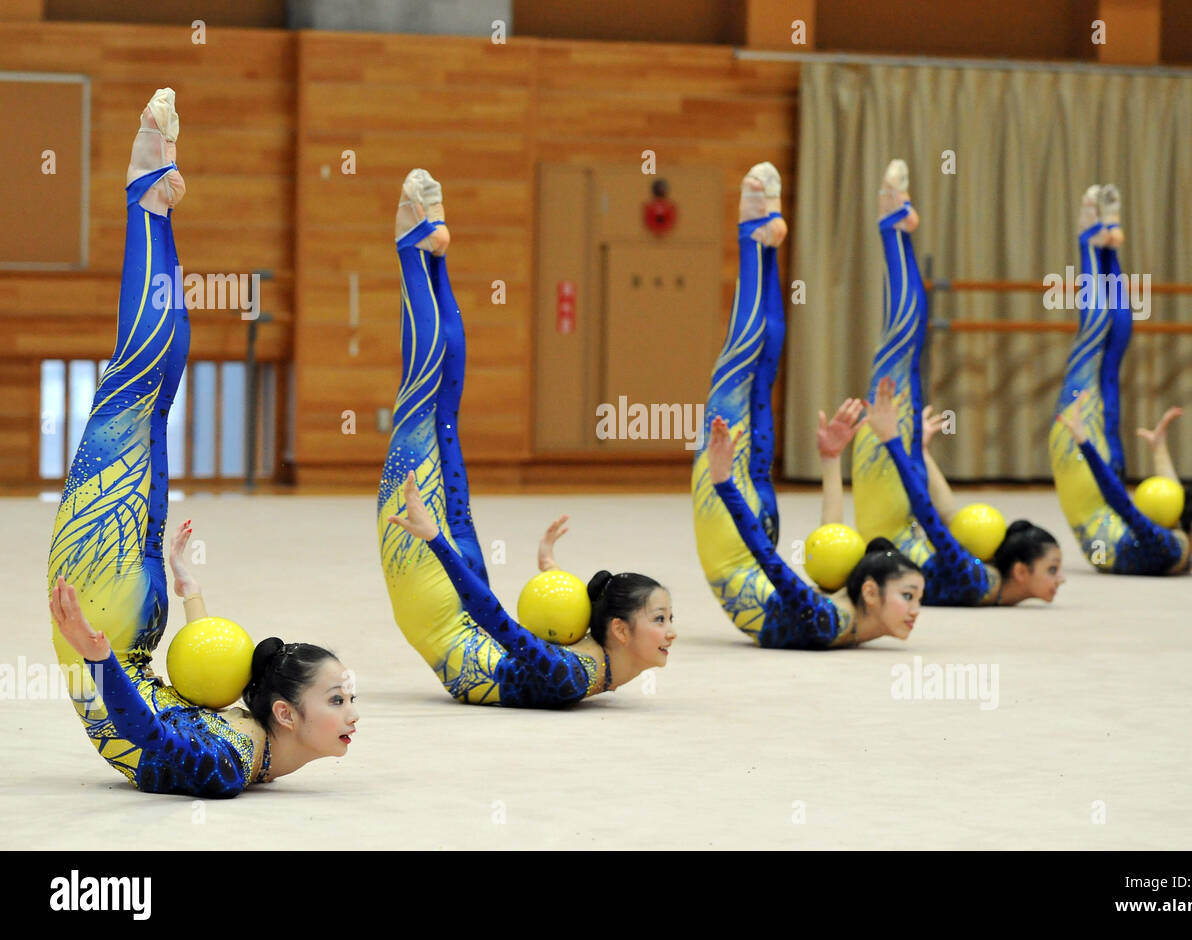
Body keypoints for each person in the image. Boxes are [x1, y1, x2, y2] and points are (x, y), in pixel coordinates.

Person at [47, 90, 356, 798]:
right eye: (342, 697)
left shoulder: (226, 768)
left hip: (106, 616)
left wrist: (97, 660)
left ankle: (146, 202)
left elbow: (152, 739)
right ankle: (151, 206)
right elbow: (209, 671)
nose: (351, 714)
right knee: (155, 391)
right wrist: (190, 589)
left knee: (137, 381)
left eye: (339, 697)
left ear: (285, 712)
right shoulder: (249, 744)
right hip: (139, 622)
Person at [380, 171, 673, 706]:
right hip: (455, 578)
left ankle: (417, 250)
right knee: (440, 412)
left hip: (438, 586)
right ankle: (428, 252)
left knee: (424, 401)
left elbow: (501, 624)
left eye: (664, 619)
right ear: (618, 630)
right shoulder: (579, 675)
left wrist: (433, 538)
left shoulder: (576, 672)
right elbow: (505, 624)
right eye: (662, 618)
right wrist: (551, 575)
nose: (672, 631)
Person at [693, 164, 923, 648]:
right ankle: (759, 241)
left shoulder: (832, 621)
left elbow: (775, 564)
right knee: (759, 376)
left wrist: (721, 484)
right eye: (909, 595)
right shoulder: (834, 621)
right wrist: (831, 461)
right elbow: (825, 548)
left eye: (915, 597)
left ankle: (753, 239)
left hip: (736, 533)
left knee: (742, 367)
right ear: (870, 592)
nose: (917, 610)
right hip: (749, 526)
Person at [853, 160, 1063, 604]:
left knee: (903, 336)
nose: (1060, 580)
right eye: (1054, 570)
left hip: (890, 485)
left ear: (1020, 573)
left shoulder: (975, 581)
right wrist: (917, 453)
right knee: (907, 338)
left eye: (1054, 570)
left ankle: (891, 227)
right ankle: (893, 227)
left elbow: (935, 518)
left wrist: (895, 443)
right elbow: (941, 515)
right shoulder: (979, 580)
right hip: (896, 481)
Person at [1051, 185, 1192, 574]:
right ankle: (1108, 244)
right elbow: (1166, 500)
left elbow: (1122, 506)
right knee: (1116, 344)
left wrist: (1085, 445)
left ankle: (1089, 242)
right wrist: (1158, 451)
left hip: (1082, 459)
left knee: (1093, 338)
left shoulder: (1170, 548)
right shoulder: (1176, 544)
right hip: (1103, 473)